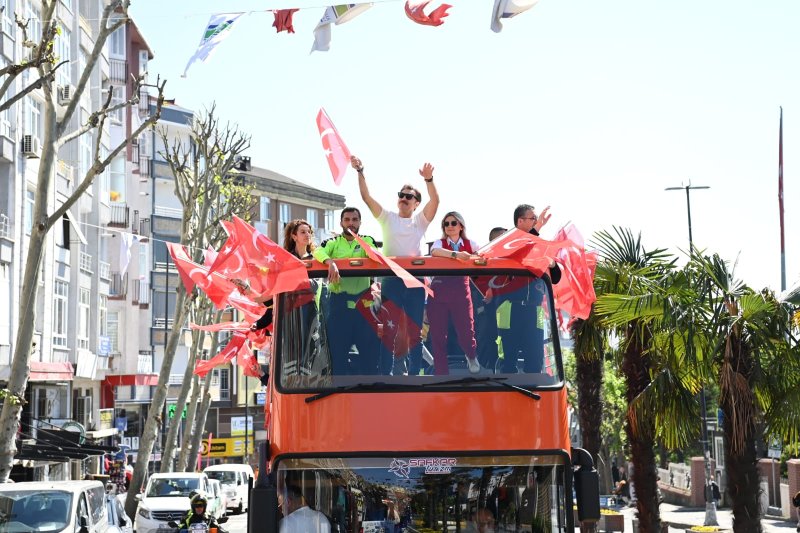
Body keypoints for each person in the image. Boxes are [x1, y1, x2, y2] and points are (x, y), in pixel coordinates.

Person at [351, 154, 439, 376]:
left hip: (414, 281)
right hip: (391, 280)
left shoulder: (420, 221)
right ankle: (387, 375)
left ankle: (416, 374)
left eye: (409, 196)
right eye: (401, 195)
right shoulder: (387, 217)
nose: (404, 198)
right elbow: (366, 197)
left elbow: (435, 201)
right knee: (388, 330)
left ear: (416, 203)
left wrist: (429, 180)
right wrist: (360, 171)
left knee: (414, 331)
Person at [494, 204, 561, 374]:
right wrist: (538, 228)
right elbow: (519, 248)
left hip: (535, 310)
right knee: (508, 360)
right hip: (510, 309)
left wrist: (552, 263)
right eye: (533, 219)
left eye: (536, 220)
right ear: (520, 220)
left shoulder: (537, 244)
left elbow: (556, 277)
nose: (536, 222)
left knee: (535, 360)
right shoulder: (507, 241)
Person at [313, 207, 380, 375]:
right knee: (337, 356)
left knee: (370, 357)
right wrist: (330, 262)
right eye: (347, 219)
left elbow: (374, 255)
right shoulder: (333, 243)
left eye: (355, 219)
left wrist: (364, 246)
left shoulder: (367, 240)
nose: (351, 223)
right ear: (341, 222)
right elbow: (317, 251)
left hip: (363, 307)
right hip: (339, 307)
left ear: (360, 222)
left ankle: (368, 394)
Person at [427, 211, 481, 374]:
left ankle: (471, 356)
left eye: (453, 223)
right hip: (439, 290)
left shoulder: (471, 244)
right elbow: (435, 252)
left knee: (466, 332)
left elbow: (482, 258)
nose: (449, 226)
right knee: (438, 335)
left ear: (461, 226)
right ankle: (441, 373)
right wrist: (457, 255)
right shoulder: (439, 242)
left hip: (461, 291)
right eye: (446, 223)